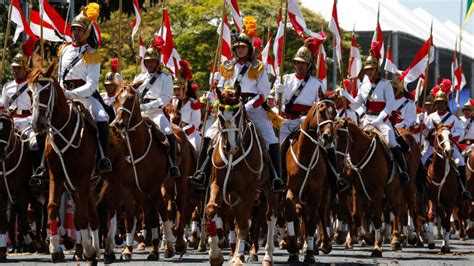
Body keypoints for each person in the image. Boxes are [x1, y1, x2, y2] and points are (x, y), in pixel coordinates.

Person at [192, 32, 285, 192]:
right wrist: (214, 92)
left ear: (249, 49)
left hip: (253, 109)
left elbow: (262, 95)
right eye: (237, 47)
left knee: (270, 137)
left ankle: (276, 177)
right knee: (208, 133)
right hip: (229, 109)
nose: (240, 50)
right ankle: (202, 173)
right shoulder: (227, 67)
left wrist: (245, 108)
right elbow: (220, 92)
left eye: (243, 47)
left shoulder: (258, 68)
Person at [337, 41, 410, 186]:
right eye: (367, 70)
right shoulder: (364, 86)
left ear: (377, 70)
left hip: (382, 120)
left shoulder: (386, 84)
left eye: (371, 69)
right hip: (367, 119)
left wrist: (380, 120)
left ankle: (403, 171)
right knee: (351, 140)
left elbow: (389, 106)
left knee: (391, 141)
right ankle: (347, 172)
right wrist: (345, 95)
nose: (369, 72)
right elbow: (357, 104)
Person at [58, 4, 111, 173]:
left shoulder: (92, 52)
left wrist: (71, 94)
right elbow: (60, 76)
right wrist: (61, 92)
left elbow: (92, 85)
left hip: (86, 97)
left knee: (102, 116)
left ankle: (103, 157)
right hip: (64, 95)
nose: (75, 33)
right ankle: (42, 166)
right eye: (74, 30)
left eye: (79, 30)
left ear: (86, 31)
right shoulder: (64, 49)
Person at [132, 36, 180, 178]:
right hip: (139, 113)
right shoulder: (138, 77)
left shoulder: (165, 77)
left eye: (152, 61)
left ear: (158, 62)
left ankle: (172, 165)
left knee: (167, 131)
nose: (150, 64)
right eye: (147, 61)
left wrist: (147, 106)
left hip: (156, 113)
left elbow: (165, 98)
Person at [2, 38, 48, 182]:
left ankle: (37, 173)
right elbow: (2, 106)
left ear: (25, 69)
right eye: (14, 68)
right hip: (11, 121)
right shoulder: (7, 86)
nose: (15, 71)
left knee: (34, 143)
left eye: (19, 68)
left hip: (28, 121)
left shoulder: (32, 85)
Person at [422, 81, 472, 200]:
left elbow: (460, 132)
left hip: (450, 147)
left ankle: (463, 189)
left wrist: (448, 136)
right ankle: (421, 188)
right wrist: (426, 132)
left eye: (442, 103)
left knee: (461, 162)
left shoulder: (453, 117)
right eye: (438, 103)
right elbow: (424, 132)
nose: (440, 105)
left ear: (445, 104)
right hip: (432, 148)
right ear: (435, 104)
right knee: (421, 160)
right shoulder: (430, 117)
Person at [170, 60, 202, 152]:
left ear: (185, 88)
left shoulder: (193, 103)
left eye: (178, 90)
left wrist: (184, 131)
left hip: (190, 135)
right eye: (175, 90)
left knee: (194, 150)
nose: (176, 92)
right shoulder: (174, 101)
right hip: (174, 131)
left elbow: (196, 122)